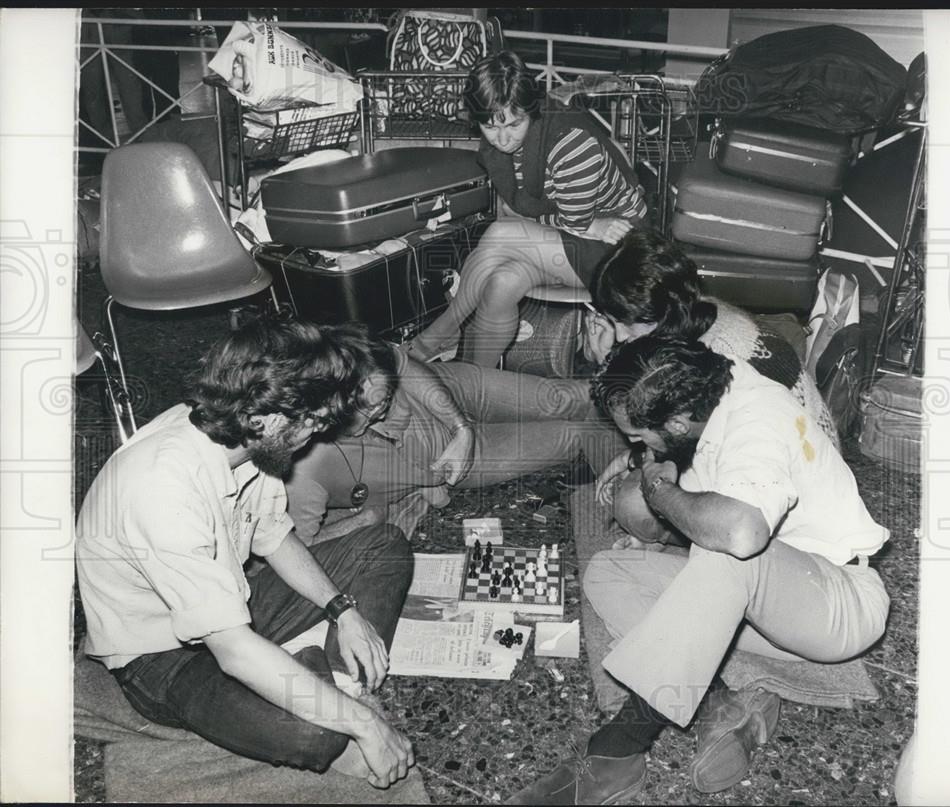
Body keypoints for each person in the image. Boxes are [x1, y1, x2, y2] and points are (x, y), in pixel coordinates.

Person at [508, 335, 890, 804]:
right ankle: (717, 700)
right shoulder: (706, 394)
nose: (636, 445)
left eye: (637, 436)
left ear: (675, 421)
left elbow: (743, 535)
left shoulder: (758, 420)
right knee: (608, 571)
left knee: (728, 548)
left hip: (835, 608)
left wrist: (657, 487)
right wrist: (641, 463)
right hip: (761, 615)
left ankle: (617, 751)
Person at [75, 317, 415, 790]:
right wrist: (366, 724)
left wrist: (343, 611)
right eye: (312, 423)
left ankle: (331, 683)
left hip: (231, 600)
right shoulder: (160, 487)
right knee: (316, 735)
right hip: (159, 655)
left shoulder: (244, 440)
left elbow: (274, 537)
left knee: (385, 546)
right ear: (269, 417)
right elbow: (232, 651)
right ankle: (322, 694)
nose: (313, 437)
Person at [583, 228, 840, 546]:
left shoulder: (721, 354)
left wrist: (635, 460)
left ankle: (681, 547)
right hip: (766, 459)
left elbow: (688, 437)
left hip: (793, 489)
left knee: (632, 503)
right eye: (611, 320)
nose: (620, 335)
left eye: (627, 322)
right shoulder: (694, 314)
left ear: (663, 312)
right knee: (615, 462)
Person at [405, 49, 648, 369]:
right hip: (573, 236)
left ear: (531, 111)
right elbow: (538, 215)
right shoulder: (502, 142)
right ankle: (477, 382)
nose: (503, 138)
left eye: (514, 124)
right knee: (503, 281)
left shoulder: (569, 141)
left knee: (501, 233)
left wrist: (587, 225)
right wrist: (581, 224)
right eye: (491, 127)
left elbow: (565, 220)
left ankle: (438, 336)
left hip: (620, 251)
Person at [285, 324, 617, 542]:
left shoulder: (351, 353)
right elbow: (297, 546)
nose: (384, 408)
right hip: (456, 466)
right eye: (372, 406)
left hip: (456, 389)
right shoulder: (304, 467)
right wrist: (364, 519)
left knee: (572, 397)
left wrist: (462, 428)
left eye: (387, 397)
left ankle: (650, 407)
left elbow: (403, 364)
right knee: (574, 436)